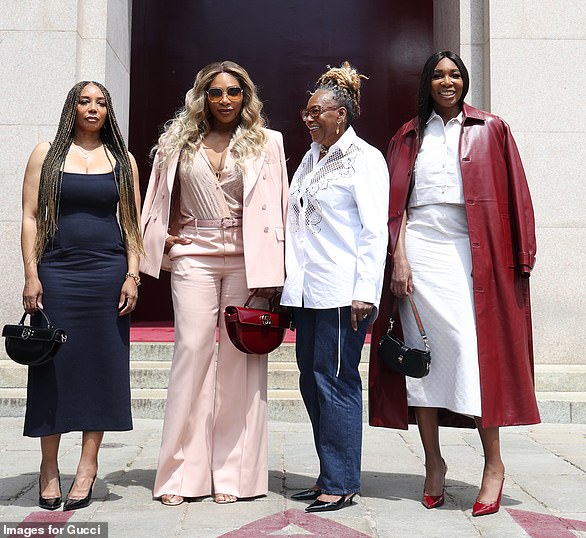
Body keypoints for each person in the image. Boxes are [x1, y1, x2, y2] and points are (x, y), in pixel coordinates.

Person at [368, 50, 539, 517]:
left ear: (465, 81)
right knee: (423, 360)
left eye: (455, 74)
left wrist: (522, 257)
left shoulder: (492, 129)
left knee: (471, 352)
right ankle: (434, 463)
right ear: (427, 83)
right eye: (439, 75)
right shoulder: (407, 135)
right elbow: (393, 206)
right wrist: (398, 258)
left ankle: (494, 465)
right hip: (420, 249)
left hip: (473, 248)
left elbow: (518, 194)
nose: (448, 81)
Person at [140, 61, 288, 506]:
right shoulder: (175, 142)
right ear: (201, 96)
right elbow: (155, 199)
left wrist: (277, 272)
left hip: (248, 260)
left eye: (234, 92)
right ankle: (180, 476)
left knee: (239, 366)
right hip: (194, 255)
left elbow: (280, 206)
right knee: (191, 356)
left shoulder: (269, 142)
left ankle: (232, 476)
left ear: (246, 97)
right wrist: (159, 237)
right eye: (216, 92)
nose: (225, 100)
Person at [20, 81, 143, 511]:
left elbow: (131, 223)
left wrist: (132, 274)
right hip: (57, 271)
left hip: (107, 276)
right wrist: (31, 274)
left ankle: (87, 468)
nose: (93, 108)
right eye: (84, 101)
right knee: (51, 367)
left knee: (101, 369)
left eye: (101, 102)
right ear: (71, 107)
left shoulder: (122, 159)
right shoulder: (46, 154)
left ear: (109, 111)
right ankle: (48, 468)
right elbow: (31, 216)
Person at [281, 62, 389, 513]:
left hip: (343, 294)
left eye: (316, 111)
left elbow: (374, 230)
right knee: (311, 382)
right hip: (306, 292)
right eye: (306, 111)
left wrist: (365, 291)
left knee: (337, 382)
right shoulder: (309, 158)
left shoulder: (365, 159)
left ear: (341, 114)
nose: (308, 118)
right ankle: (329, 473)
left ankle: (342, 482)